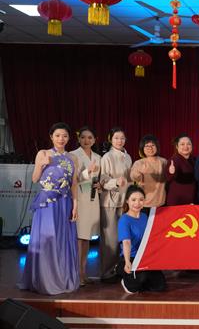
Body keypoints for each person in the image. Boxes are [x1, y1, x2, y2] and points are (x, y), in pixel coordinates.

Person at [18, 122, 80, 295]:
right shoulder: (43, 153)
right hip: (47, 203)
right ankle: (45, 280)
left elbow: (74, 183)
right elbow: (35, 179)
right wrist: (42, 165)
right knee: (48, 238)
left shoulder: (73, 158)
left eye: (65, 136)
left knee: (63, 240)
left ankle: (62, 278)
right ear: (51, 137)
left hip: (65, 202)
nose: (61, 139)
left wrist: (75, 204)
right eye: (58, 135)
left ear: (69, 138)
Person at [118, 185, 166, 294]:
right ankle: (124, 278)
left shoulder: (144, 217)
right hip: (130, 257)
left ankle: (143, 280)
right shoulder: (124, 220)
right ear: (127, 201)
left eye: (141, 200)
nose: (137, 203)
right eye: (133, 200)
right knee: (140, 279)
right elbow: (126, 242)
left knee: (160, 286)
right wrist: (127, 261)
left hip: (144, 257)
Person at [99, 127, 132, 282]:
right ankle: (107, 273)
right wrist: (116, 182)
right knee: (110, 240)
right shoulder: (107, 157)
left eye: (122, 138)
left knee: (124, 237)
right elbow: (103, 180)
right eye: (116, 138)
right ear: (110, 139)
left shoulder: (128, 157)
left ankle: (120, 269)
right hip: (110, 202)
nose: (120, 141)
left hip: (125, 203)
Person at [70, 126, 101, 286]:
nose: (86, 140)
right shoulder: (73, 155)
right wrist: (86, 172)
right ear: (78, 139)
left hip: (93, 200)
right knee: (79, 237)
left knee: (87, 237)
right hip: (79, 199)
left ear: (94, 140)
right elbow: (72, 179)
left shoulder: (98, 157)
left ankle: (83, 271)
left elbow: (99, 178)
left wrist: (100, 185)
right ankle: (76, 273)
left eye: (90, 137)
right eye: (83, 137)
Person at [130, 134, 167, 212]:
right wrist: (139, 172)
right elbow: (133, 177)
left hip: (161, 203)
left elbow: (169, 178)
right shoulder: (139, 163)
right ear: (142, 148)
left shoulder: (163, 162)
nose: (150, 148)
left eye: (153, 145)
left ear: (157, 147)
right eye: (147, 146)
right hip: (144, 204)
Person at [165, 134, 197, 206]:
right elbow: (168, 178)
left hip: (191, 198)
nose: (186, 146)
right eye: (182, 144)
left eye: (188, 144)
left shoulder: (195, 160)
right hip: (176, 199)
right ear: (177, 146)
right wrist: (171, 173)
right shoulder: (174, 160)